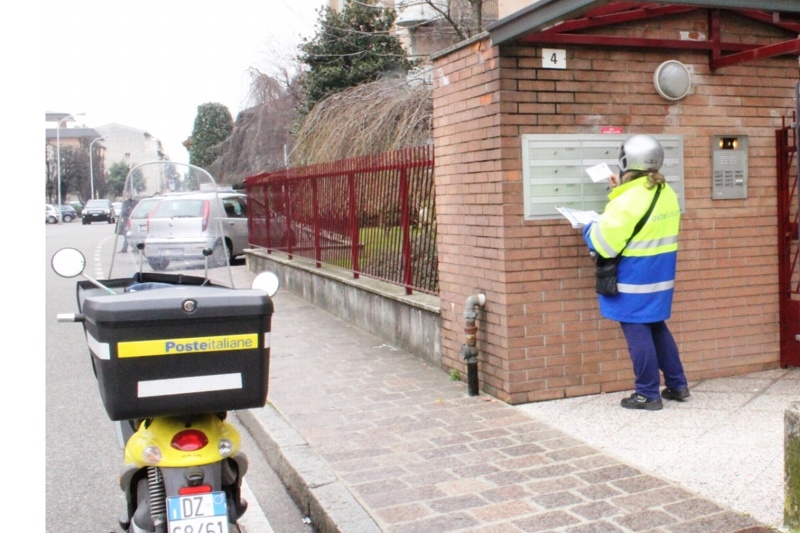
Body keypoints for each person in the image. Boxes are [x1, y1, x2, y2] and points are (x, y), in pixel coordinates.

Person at [583, 134, 689, 411]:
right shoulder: (665, 190)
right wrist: (620, 191)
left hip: (633, 278)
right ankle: (677, 384)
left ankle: (647, 393)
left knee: (636, 330)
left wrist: (587, 228)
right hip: (660, 276)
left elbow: (604, 244)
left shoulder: (628, 199)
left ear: (626, 161)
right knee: (656, 325)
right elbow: (641, 213)